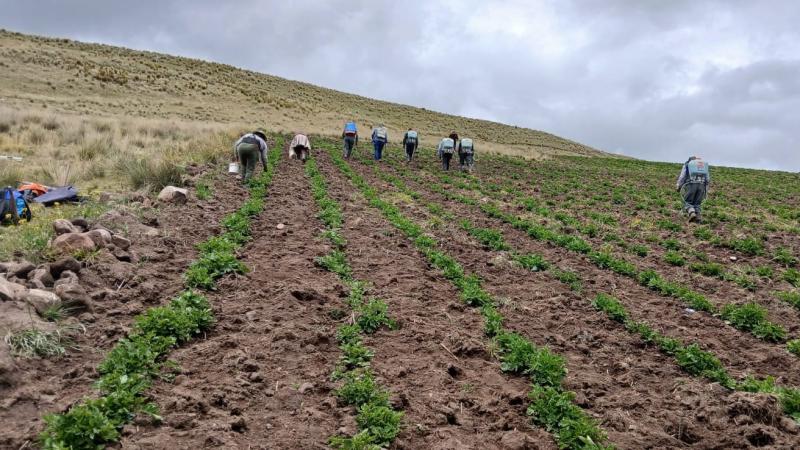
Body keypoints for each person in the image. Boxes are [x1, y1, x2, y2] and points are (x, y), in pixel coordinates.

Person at [676, 156, 710, 222]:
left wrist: (678, 186)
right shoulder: (703, 166)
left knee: (687, 201)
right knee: (697, 203)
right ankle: (698, 217)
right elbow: (707, 179)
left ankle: (692, 213)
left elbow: (682, 176)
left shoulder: (687, 164)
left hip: (690, 184)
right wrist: (706, 188)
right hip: (701, 185)